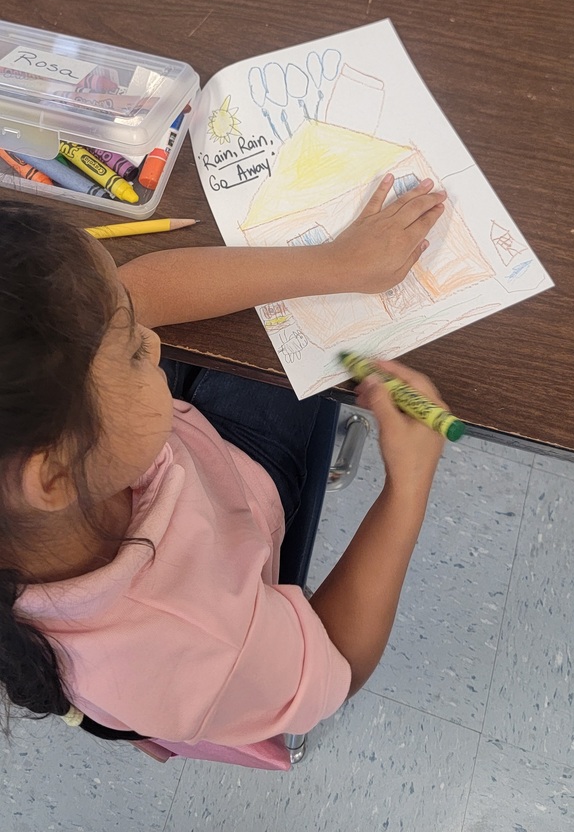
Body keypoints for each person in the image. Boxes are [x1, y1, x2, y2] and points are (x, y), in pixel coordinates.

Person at [0, 176, 448, 757]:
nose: (154, 343)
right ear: (54, 475)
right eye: (135, 353)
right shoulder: (195, 641)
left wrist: (334, 263)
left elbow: (134, 292)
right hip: (245, 487)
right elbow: (340, 660)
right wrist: (407, 487)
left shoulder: (38, 473)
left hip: (184, 454)